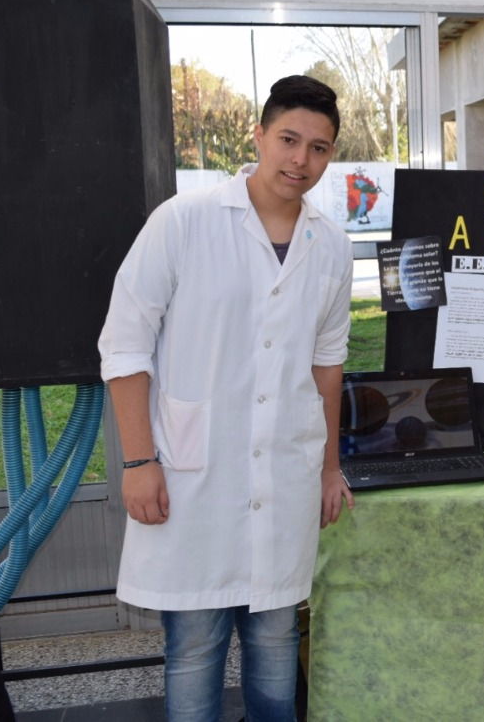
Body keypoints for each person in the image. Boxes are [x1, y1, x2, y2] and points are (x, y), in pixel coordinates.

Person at [99, 75, 356, 721]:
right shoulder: (183, 221)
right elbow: (125, 346)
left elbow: (327, 367)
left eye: (319, 148)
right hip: (192, 477)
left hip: (285, 472)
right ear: (259, 135)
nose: (301, 160)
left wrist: (329, 468)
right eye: (289, 139)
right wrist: (138, 461)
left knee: (275, 637)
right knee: (194, 642)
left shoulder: (331, 247)